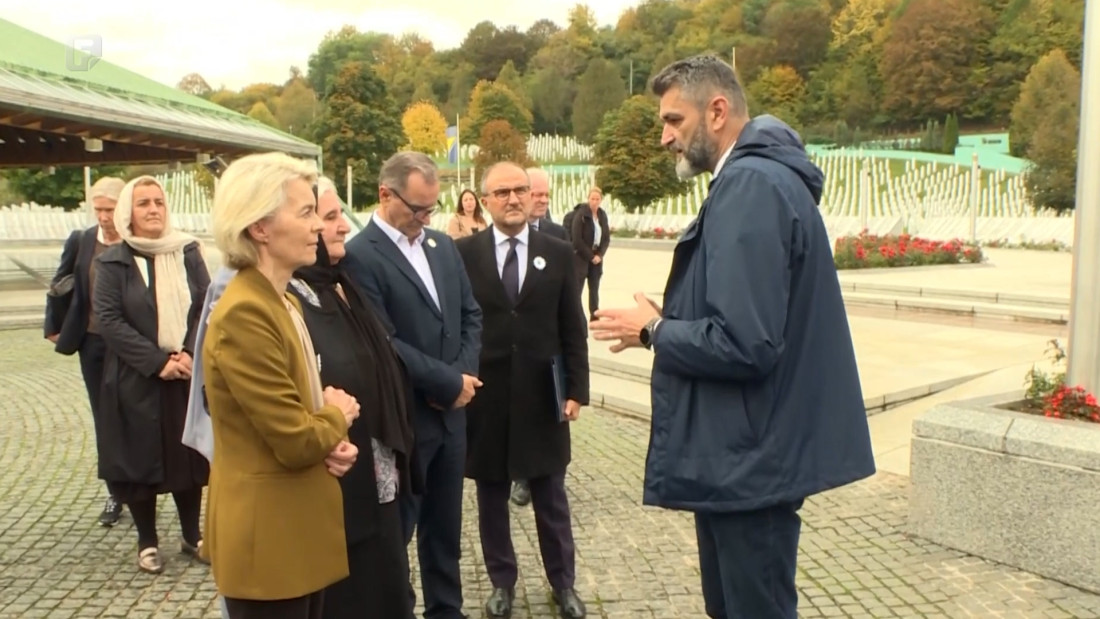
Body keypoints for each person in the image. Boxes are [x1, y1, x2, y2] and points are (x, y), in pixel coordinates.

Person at [589, 55, 875, 619]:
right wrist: (671, 312)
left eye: (674, 120)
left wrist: (653, 329)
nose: (665, 137)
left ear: (717, 110)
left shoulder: (750, 186)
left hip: (751, 463)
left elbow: (746, 341)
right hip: (746, 456)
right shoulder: (754, 180)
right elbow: (749, 310)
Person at [202, 152, 361, 619]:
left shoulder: (281, 299)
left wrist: (332, 437)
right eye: (306, 212)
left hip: (292, 533)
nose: (319, 226)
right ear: (259, 228)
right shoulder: (246, 313)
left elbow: (292, 417)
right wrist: (339, 416)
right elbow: (293, 439)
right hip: (268, 545)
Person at [343, 151, 482, 619]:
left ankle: (447, 610)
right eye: (417, 208)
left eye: (432, 207)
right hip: (405, 417)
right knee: (398, 531)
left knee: (445, 529)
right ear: (385, 194)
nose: (425, 217)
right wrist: (447, 382)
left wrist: (462, 377)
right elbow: (384, 341)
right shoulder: (360, 255)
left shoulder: (442, 246)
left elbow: (470, 316)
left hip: (452, 417)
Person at [456, 162, 590, 619]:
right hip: (487, 397)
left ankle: (563, 584)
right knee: (491, 497)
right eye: (502, 192)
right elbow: (457, 325)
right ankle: (501, 582)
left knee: (551, 498)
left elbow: (572, 326)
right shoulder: (464, 253)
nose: (513, 198)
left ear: (531, 195)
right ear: (485, 199)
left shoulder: (557, 251)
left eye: (520, 190)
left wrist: (577, 388)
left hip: (542, 396)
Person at [287, 177, 417, 619]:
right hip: (334, 491)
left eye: (339, 214)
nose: (344, 226)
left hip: (375, 483)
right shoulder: (283, 299)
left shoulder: (337, 284)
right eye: (327, 217)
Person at [92, 175, 211, 573]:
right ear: (129, 211)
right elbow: (109, 320)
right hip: (135, 378)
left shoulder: (187, 250)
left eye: (158, 201)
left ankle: (192, 535)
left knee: (187, 456)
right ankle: (146, 540)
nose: (153, 209)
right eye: (143, 203)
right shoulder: (113, 260)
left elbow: (204, 304)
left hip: (185, 373)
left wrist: (190, 353)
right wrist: (158, 362)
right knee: (139, 459)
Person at [43, 175, 127, 527]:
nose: (104, 216)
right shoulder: (81, 241)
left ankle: (143, 487)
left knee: (135, 416)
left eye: (110, 209)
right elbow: (60, 282)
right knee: (104, 418)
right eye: (98, 209)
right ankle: (115, 492)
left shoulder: (135, 243)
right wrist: (54, 327)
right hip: (92, 343)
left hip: (130, 347)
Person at [569, 188, 610, 320]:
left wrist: (600, 255)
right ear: (588, 199)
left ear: (601, 200)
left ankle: (594, 314)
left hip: (597, 256)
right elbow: (577, 239)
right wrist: (590, 256)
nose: (594, 201)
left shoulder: (602, 215)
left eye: (597, 199)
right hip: (581, 257)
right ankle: (574, 315)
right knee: (578, 289)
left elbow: (606, 238)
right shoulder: (581, 214)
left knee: (594, 288)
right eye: (592, 199)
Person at [525, 168, 567, 241]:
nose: (544, 201)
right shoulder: (505, 231)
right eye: (538, 195)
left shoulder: (558, 234)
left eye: (547, 195)